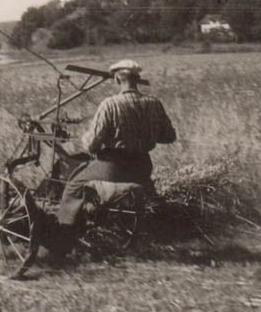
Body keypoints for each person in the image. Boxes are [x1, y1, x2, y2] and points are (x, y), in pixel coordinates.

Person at [55, 59, 176, 243]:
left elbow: (91, 145)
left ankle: (62, 234)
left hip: (114, 167)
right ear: (137, 79)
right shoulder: (154, 103)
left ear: (117, 79)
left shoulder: (110, 105)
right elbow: (168, 136)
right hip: (142, 167)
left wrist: (86, 140)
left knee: (73, 184)